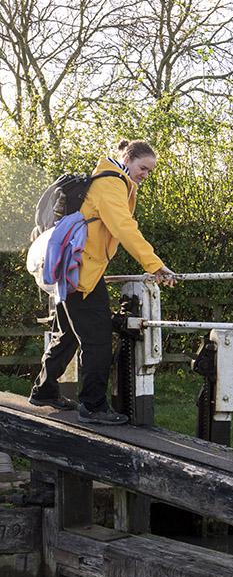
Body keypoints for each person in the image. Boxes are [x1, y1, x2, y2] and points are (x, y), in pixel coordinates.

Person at [29, 139, 176, 425]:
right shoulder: (112, 184)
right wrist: (155, 265)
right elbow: (124, 228)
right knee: (97, 341)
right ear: (128, 160)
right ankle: (93, 406)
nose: (146, 174)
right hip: (81, 274)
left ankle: (44, 391)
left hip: (72, 270)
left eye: (149, 171)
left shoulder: (108, 180)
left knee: (67, 334)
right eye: (143, 168)